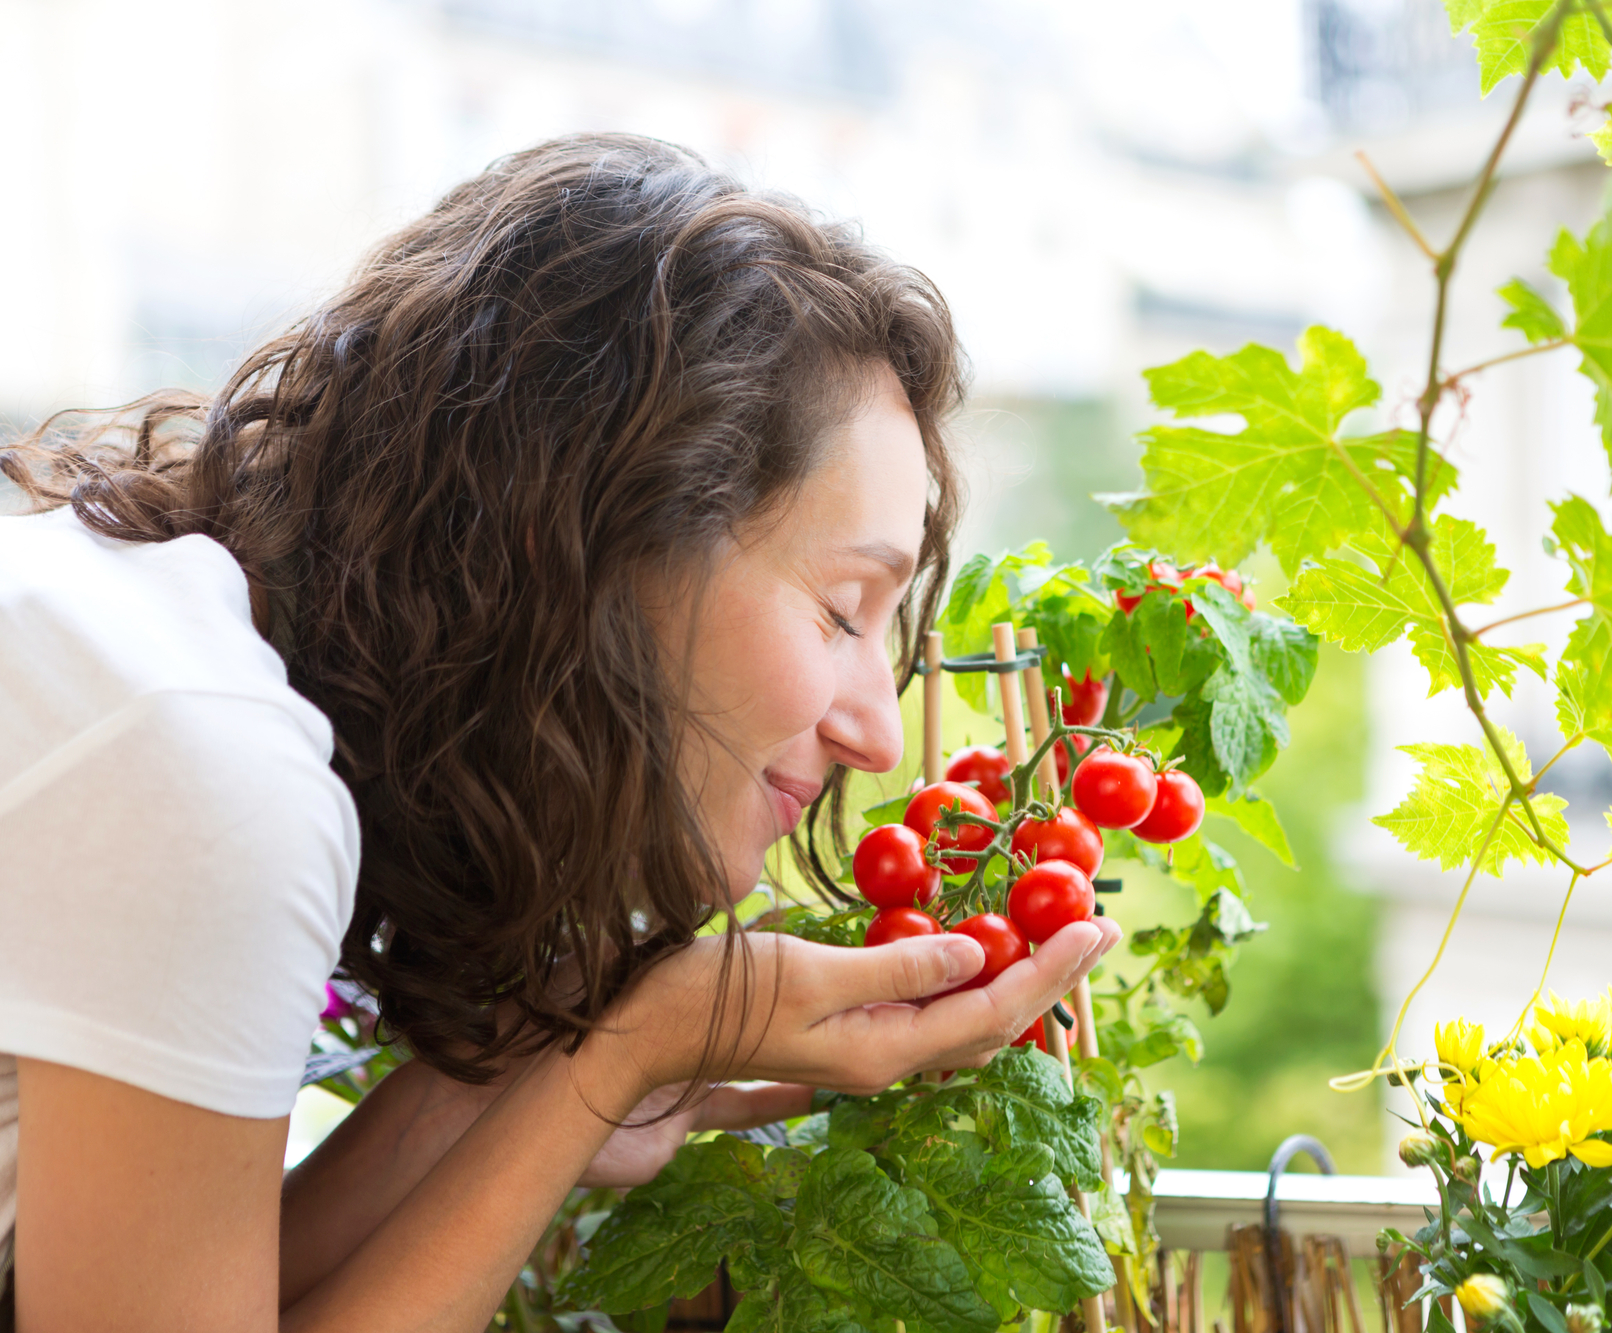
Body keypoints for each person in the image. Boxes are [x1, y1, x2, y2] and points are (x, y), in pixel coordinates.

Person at [0, 133, 1119, 1330]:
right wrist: (618, 1051)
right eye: (844, 611)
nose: (878, 735)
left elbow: (172, 1290)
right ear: (600, 537)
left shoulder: (173, 675)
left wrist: (537, 1061)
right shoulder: (201, 765)